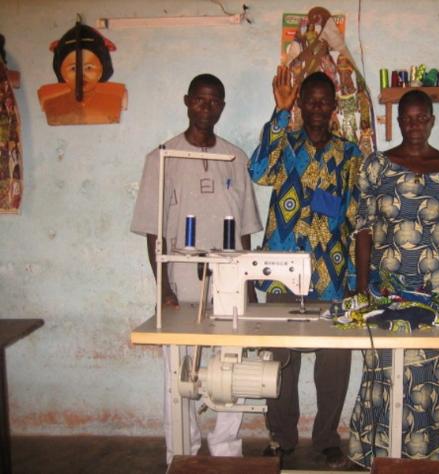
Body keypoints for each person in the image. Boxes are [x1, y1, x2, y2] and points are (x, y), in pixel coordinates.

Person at [130, 73, 262, 465]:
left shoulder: (235, 158)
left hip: (229, 279)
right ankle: (181, 449)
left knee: (232, 367)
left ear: (223, 106)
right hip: (181, 280)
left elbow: (245, 228)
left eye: (215, 101)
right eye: (200, 100)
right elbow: (153, 232)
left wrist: (249, 285)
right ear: (187, 101)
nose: (207, 107)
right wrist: (163, 288)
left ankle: (226, 446)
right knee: (178, 370)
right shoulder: (162, 158)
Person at [348, 90, 439, 468]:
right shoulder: (377, 167)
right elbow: (363, 229)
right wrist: (362, 289)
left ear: (431, 120)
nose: (414, 125)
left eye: (421, 118)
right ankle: (379, 458)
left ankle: (428, 462)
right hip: (385, 293)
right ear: (398, 122)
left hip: (434, 294)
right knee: (383, 372)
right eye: (407, 119)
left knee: (429, 377)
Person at [248, 66, 362, 469]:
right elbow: (258, 171)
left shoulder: (350, 155)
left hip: (331, 272)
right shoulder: (285, 144)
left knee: (335, 359)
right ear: (300, 104)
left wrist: (355, 278)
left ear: (333, 108)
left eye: (323, 101)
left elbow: (357, 216)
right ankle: (281, 439)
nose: (316, 107)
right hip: (282, 270)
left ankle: (327, 439)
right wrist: (279, 114)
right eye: (309, 100)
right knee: (279, 357)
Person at [37, 23, 127, 126]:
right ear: (61, 71)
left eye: (89, 68)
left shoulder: (118, 95)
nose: (81, 75)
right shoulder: (48, 97)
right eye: (73, 68)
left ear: (102, 69)